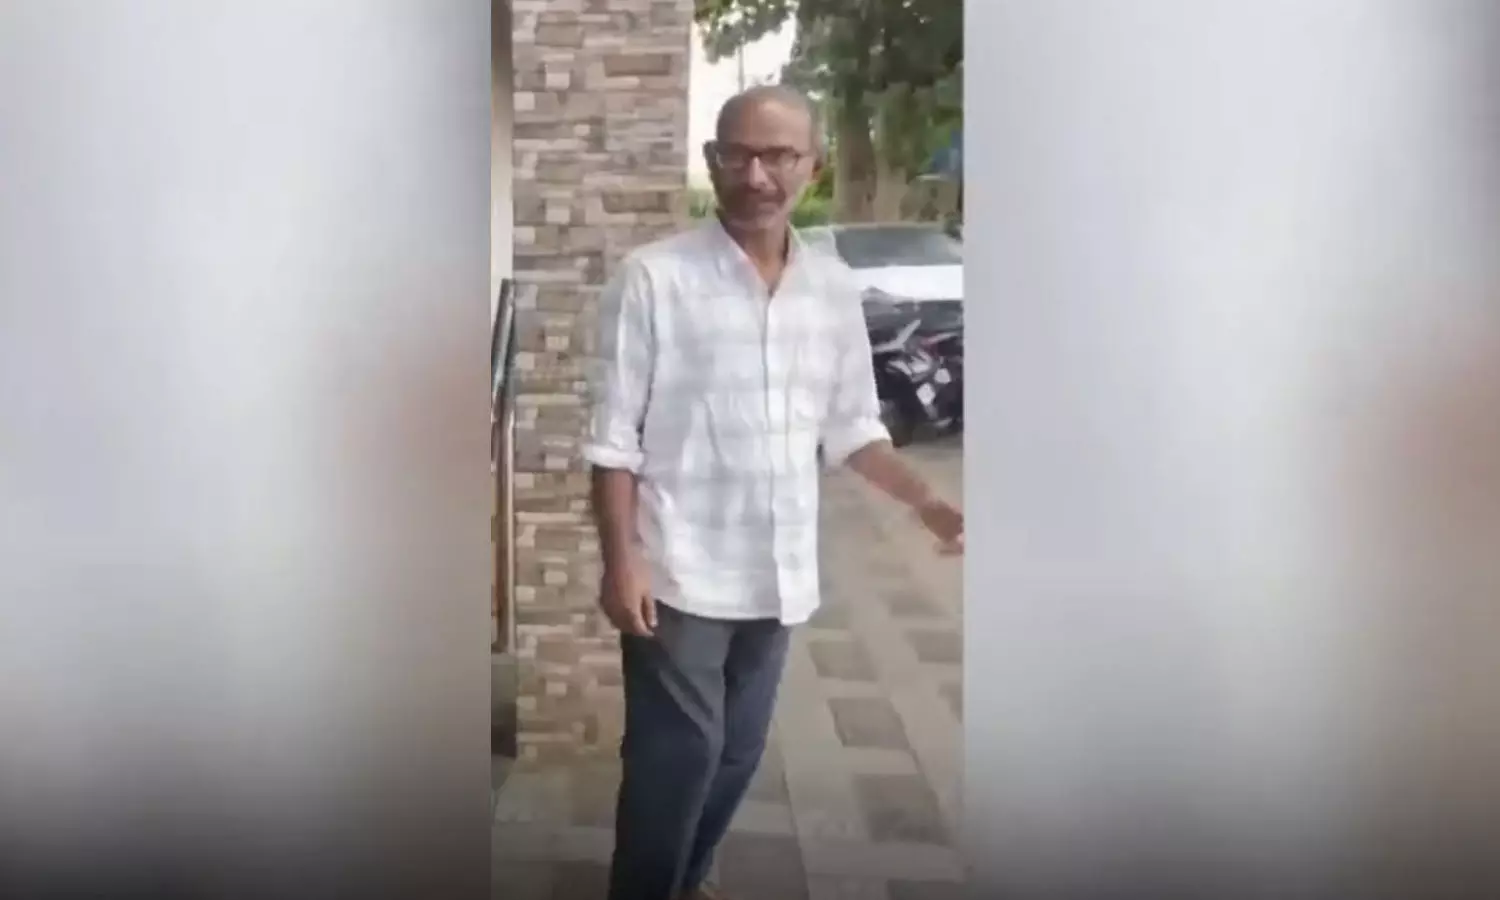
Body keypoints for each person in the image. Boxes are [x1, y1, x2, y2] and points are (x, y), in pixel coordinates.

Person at [581, 85, 965, 900]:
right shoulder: (653, 279)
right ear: (713, 160)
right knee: (677, 757)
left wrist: (927, 502)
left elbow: (852, 427)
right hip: (677, 569)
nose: (756, 175)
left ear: (812, 166)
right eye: (737, 154)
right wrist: (622, 561)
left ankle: (683, 880)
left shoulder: (831, 289)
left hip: (778, 571)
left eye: (778, 155)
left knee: (738, 753)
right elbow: (613, 440)